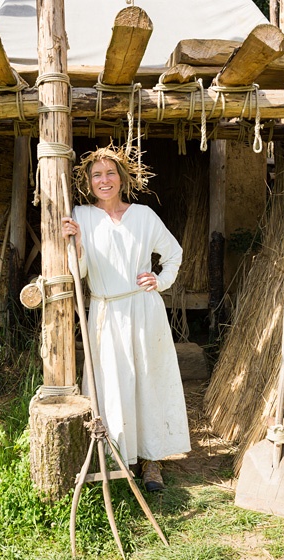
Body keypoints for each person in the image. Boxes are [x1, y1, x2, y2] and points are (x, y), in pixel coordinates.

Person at [62, 144, 190, 492]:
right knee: (112, 384)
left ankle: (152, 462)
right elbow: (79, 272)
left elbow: (174, 253)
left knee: (148, 381)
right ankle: (118, 456)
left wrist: (160, 281)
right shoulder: (81, 215)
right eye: (97, 175)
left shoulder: (144, 216)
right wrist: (74, 245)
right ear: (89, 182)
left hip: (144, 310)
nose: (104, 180)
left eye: (110, 173)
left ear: (122, 178)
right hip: (105, 310)